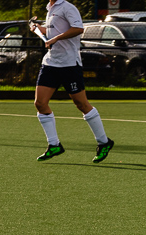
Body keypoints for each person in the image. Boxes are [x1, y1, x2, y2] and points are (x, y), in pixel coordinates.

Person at [32, 0, 114, 163]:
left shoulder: (68, 8)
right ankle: (54, 144)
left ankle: (104, 142)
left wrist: (56, 39)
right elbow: (50, 32)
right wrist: (37, 28)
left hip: (70, 64)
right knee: (40, 103)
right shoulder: (50, 8)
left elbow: (78, 28)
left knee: (82, 104)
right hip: (50, 63)